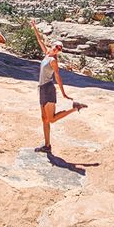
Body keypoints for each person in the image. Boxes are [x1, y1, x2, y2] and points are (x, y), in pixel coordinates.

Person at [31, 19, 87, 153]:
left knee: (51, 119)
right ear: (52, 46)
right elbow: (40, 41)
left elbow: (58, 77)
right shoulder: (47, 54)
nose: (57, 50)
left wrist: (63, 93)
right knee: (44, 119)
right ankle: (47, 145)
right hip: (42, 89)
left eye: (59, 49)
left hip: (49, 89)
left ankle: (74, 108)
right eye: (56, 47)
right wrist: (34, 27)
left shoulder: (53, 61)